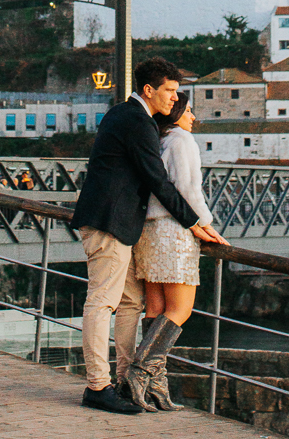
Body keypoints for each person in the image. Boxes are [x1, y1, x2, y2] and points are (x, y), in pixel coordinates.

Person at [71, 56, 225, 414]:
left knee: (128, 304)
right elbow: (159, 180)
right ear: (149, 90)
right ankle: (98, 385)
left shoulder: (122, 114)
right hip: (109, 222)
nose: (175, 98)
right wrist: (196, 223)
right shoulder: (138, 122)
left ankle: (125, 380)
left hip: (119, 223)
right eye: (170, 90)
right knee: (102, 301)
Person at [125, 91, 214, 411]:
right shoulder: (182, 141)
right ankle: (138, 374)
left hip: (148, 232)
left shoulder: (156, 139)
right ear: (174, 113)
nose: (192, 117)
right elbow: (189, 189)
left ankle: (155, 388)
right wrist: (205, 224)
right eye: (188, 111)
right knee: (180, 310)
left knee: (156, 308)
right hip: (174, 232)